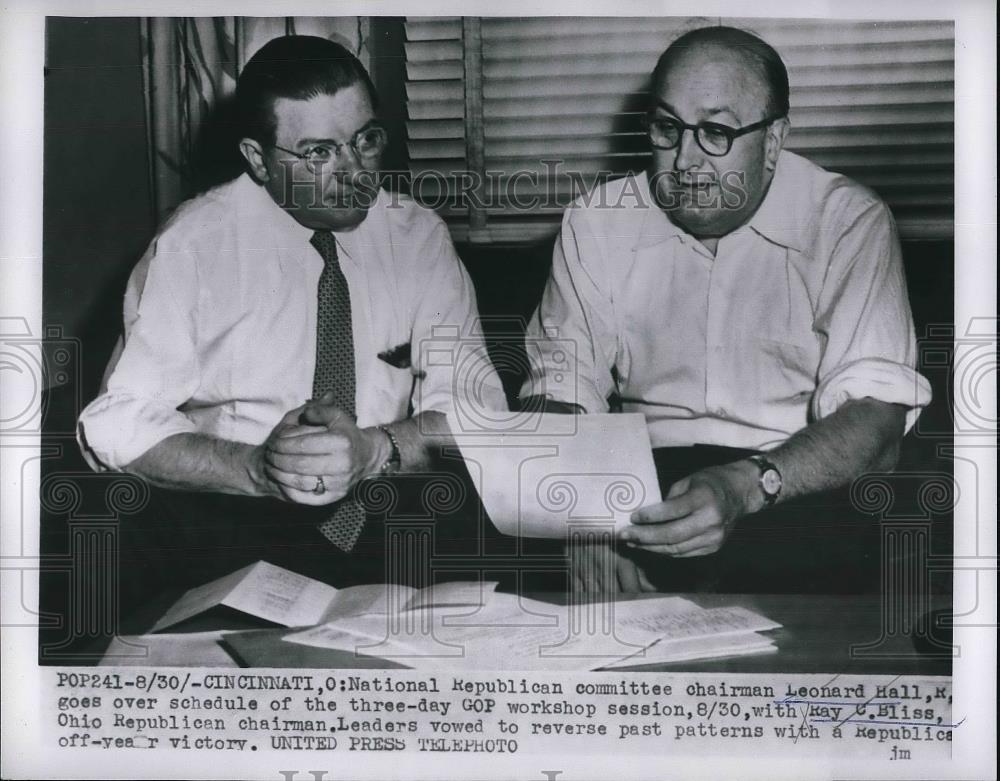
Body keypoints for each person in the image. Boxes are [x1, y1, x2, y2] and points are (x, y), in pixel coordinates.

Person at [77, 36, 506, 596]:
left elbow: (477, 414)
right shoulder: (195, 245)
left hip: (388, 511)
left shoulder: (416, 237)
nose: (356, 174)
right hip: (236, 524)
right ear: (258, 159)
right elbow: (116, 422)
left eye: (365, 141)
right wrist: (257, 468)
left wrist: (375, 449)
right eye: (319, 153)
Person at [520, 26, 932, 593]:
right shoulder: (596, 222)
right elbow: (558, 391)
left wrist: (746, 486)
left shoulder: (848, 222)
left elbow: (877, 426)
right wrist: (581, 510)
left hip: (789, 481)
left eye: (715, 131)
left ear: (773, 139)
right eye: (667, 128)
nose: (685, 160)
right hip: (634, 484)